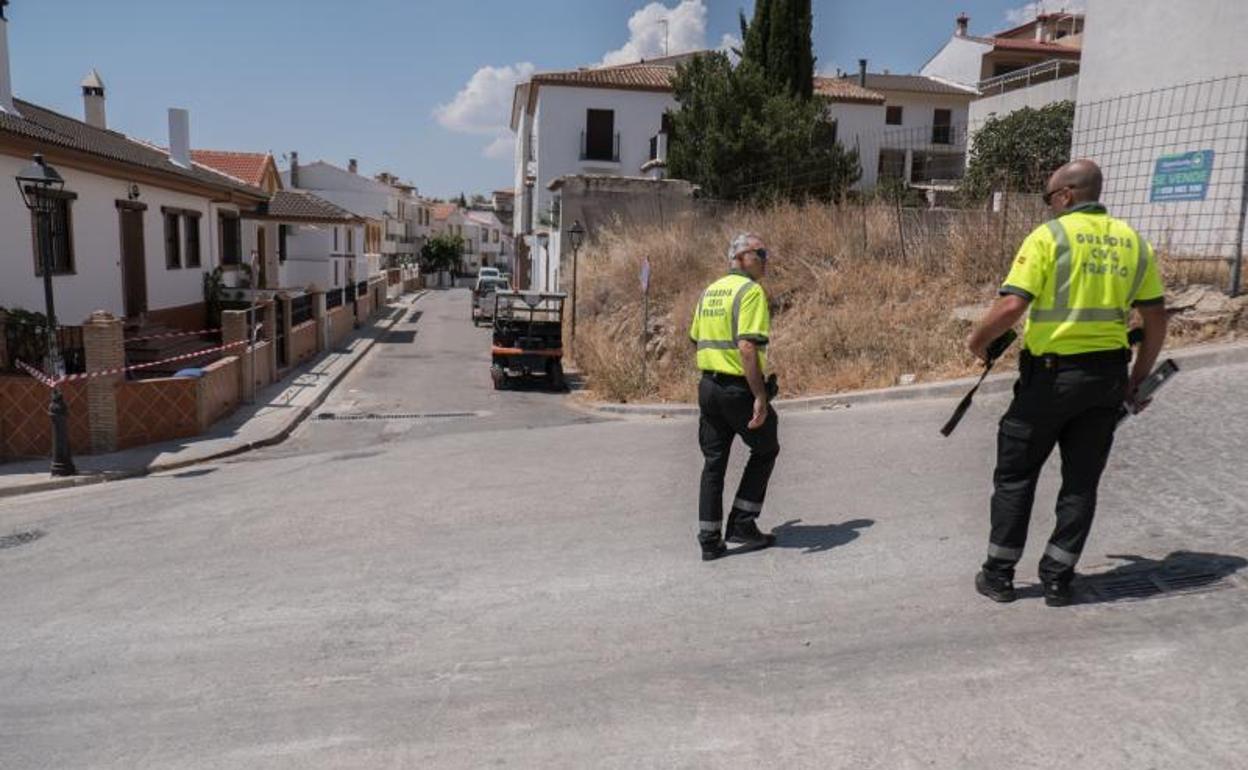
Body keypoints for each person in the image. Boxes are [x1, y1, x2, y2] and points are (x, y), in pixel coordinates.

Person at [966, 159, 1168, 606]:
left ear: (1066, 196)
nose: (1048, 206)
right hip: (1107, 380)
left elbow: (1010, 307)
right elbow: (1155, 319)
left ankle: (999, 574)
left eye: (1048, 198)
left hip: (1050, 380)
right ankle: (1058, 579)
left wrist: (977, 342)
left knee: (1016, 474)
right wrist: (1138, 379)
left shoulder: (1049, 237)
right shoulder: (1134, 243)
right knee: (1081, 482)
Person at [689, 233, 780, 561]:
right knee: (767, 447)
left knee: (714, 463)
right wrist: (759, 395)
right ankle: (742, 522)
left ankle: (709, 540)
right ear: (743, 257)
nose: (766, 259)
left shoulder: (709, 291)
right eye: (761, 252)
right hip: (736, 389)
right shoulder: (750, 291)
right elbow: (746, 346)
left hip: (708, 388)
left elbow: (695, 339)